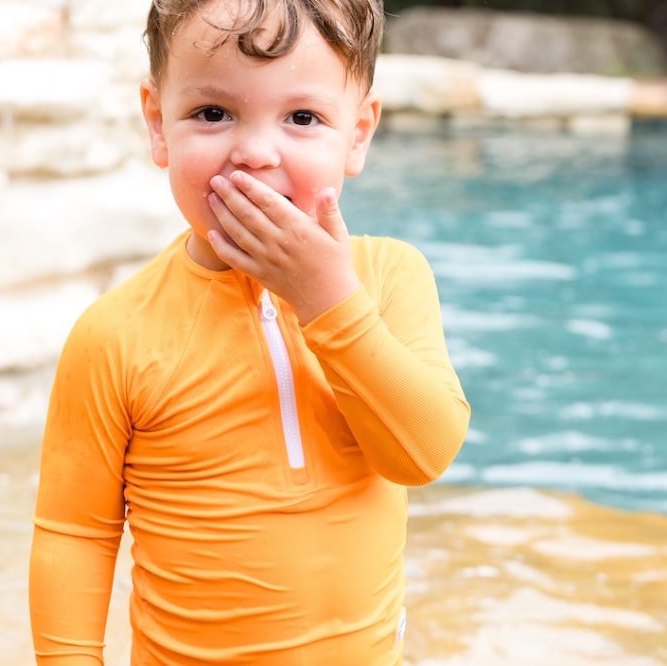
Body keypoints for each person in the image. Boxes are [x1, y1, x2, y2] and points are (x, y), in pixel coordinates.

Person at [28, 0, 470, 663]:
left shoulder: (389, 280)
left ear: (357, 134)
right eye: (213, 113)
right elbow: (74, 535)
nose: (256, 153)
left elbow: (423, 453)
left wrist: (328, 302)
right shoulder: (116, 335)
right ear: (158, 124)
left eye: (302, 118)